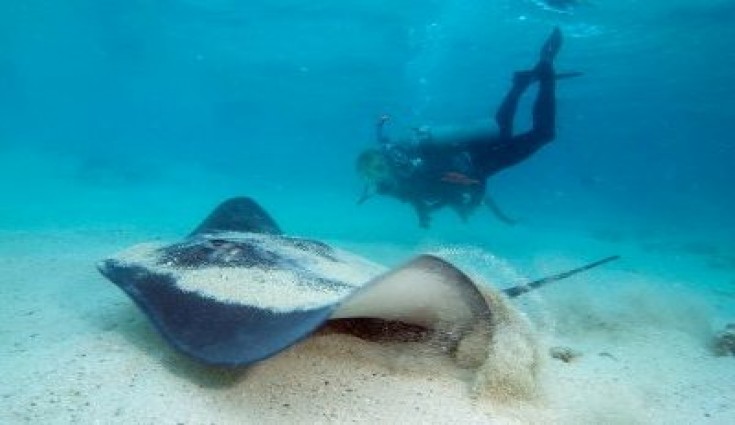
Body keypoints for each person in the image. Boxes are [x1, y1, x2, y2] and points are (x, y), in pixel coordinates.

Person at [356, 27, 577, 228]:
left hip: (478, 164)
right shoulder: (393, 178)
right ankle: (520, 84)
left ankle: (546, 70)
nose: (377, 179)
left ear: (383, 162)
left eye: (377, 171)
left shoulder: (405, 169)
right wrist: (423, 212)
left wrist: (472, 199)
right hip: (470, 153)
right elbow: (419, 191)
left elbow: (450, 180)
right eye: (370, 177)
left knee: (544, 134)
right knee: (502, 129)